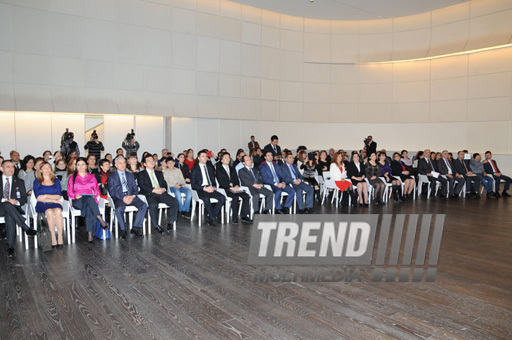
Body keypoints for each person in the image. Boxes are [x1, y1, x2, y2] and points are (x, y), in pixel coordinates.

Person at [1, 160, 38, 258]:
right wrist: (7, 200)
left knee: (10, 216)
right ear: (1, 169)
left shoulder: (19, 182)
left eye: (12, 167)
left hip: (13, 209)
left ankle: (10, 247)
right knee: (7, 204)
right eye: (8, 167)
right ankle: (26, 227)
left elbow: (23, 199)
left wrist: (16, 202)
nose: (11, 169)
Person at [67, 157, 109, 243]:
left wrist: (95, 200)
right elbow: (69, 193)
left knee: (90, 204)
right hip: (78, 201)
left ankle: (90, 234)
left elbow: (97, 191)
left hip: (90, 201)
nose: (81, 167)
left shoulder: (91, 177)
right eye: (78, 165)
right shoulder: (72, 178)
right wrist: (75, 196)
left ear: (86, 166)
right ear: (76, 166)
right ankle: (99, 218)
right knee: (89, 200)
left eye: (83, 164)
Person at [138, 155, 179, 234]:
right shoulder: (141, 174)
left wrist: (163, 189)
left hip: (161, 193)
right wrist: (154, 190)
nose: (152, 162)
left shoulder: (159, 173)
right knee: (153, 205)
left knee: (175, 202)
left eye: (152, 160)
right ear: (144, 164)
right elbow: (142, 185)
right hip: (150, 193)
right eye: (149, 161)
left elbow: (164, 183)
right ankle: (156, 225)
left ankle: (171, 222)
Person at [108, 157, 147, 238]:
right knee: (119, 208)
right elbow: (112, 192)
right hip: (120, 197)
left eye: (124, 163)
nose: (122, 165)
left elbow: (135, 188)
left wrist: (132, 196)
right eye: (120, 163)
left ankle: (135, 227)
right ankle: (123, 229)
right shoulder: (111, 176)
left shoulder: (130, 175)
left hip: (131, 196)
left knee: (143, 205)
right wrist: (123, 198)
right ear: (115, 165)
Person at [190, 150, 226, 226]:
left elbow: (213, 180)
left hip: (210, 188)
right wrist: (204, 188)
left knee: (222, 198)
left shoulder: (210, 168)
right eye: (203, 156)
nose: (205, 158)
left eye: (206, 156)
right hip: (201, 189)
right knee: (206, 198)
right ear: (198, 158)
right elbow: (193, 184)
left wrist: (213, 187)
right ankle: (212, 218)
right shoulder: (195, 169)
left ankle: (211, 216)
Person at [33, 162, 64, 249]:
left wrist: (46, 195)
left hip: (55, 203)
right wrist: (52, 200)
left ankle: (60, 237)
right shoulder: (37, 181)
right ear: (41, 170)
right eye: (45, 168)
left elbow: (58, 195)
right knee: (49, 212)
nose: (47, 170)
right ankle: (53, 238)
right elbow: (38, 198)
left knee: (58, 211)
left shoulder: (56, 180)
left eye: (49, 168)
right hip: (42, 204)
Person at [215, 152, 252, 223]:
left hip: (235, 188)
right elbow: (221, 182)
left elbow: (236, 179)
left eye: (229, 157)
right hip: (225, 189)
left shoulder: (232, 168)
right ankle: (235, 217)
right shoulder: (219, 169)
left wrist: (237, 185)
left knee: (246, 196)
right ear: (222, 160)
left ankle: (244, 216)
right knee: (235, 198)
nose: (228, 159)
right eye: (226, 158)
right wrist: (230, 187)